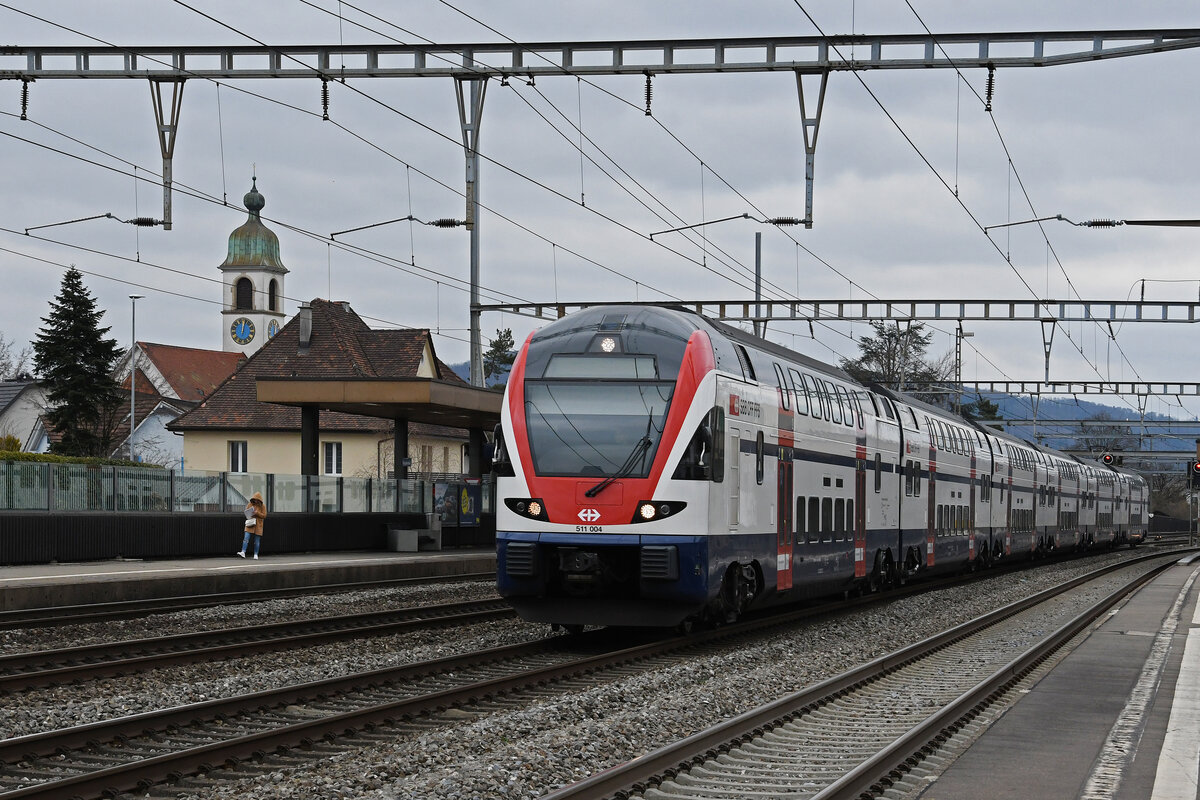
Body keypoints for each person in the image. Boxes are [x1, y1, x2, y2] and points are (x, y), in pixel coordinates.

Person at [237, 492, 267, 560]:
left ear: (259, 500)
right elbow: (246, 512)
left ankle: (256, 554)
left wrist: (257, 513)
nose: (255, 501)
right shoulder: (250, 504)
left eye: (256, 499)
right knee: (246, 538)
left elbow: (264, 515)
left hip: (258, 524)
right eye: (254, 499)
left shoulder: (263, 506)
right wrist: (249, 513)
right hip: (250, 523)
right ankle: (243, 552)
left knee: (257, 540)